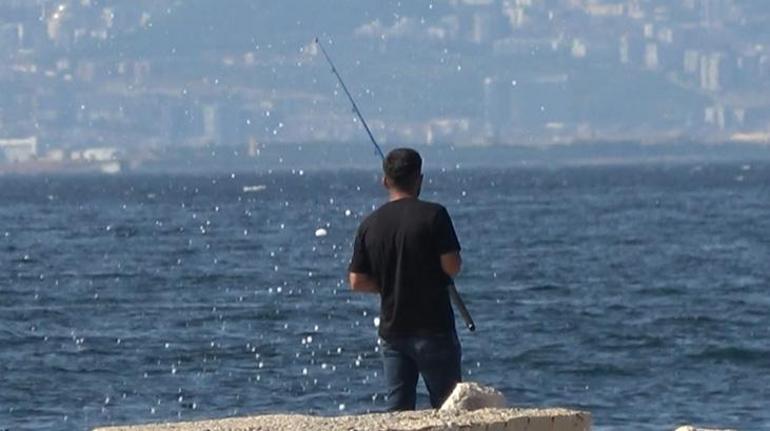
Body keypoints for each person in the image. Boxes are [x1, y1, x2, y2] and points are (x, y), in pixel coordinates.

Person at [348, 147, 463, 411]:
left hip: (393, 331)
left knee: (398, 411)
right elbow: (452, 266)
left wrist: (388, 284)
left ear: (385, 181)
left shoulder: (370, 224)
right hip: (435, 328)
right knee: (448, 409)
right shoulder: (435, 215)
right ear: (419, 179)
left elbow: (356, 281)